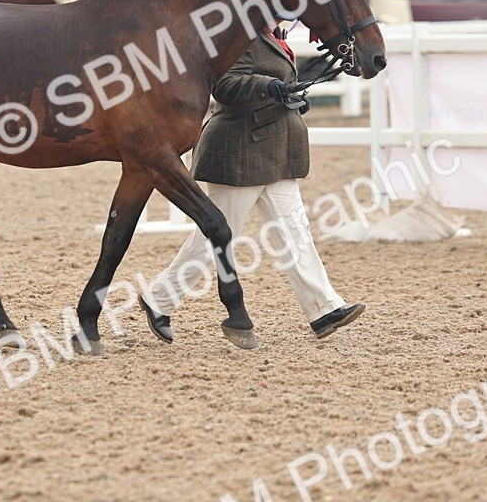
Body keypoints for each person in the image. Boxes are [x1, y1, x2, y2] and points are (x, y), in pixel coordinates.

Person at [139, 21, 365, 346]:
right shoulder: (237, 35)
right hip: (240, 148)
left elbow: (275, 80)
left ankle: (324, 308)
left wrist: (291, 96)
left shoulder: (272, 35)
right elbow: (224, 85)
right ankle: (159, 298)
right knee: (216, 235)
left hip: (274, 147)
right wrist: (269, 86)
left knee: (295, 229)